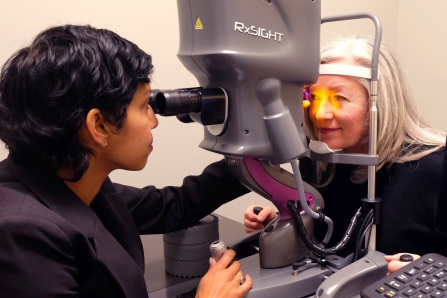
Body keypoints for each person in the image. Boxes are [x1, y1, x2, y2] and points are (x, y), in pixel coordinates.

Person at [0, 24, 252, 297]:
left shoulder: (74, 181)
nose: (154, 121)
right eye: (144, 106)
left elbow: (174, 205)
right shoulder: (21, 234)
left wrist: (256, 153)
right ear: (98, 126)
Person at [244, 35, 446, 273]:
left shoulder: (436, 169)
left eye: (339, 98)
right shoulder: (316, 160)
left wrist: (428, 272)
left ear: (380, 102)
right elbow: (326, 241)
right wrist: (293, 224)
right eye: (315, 97)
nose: (320, 114)